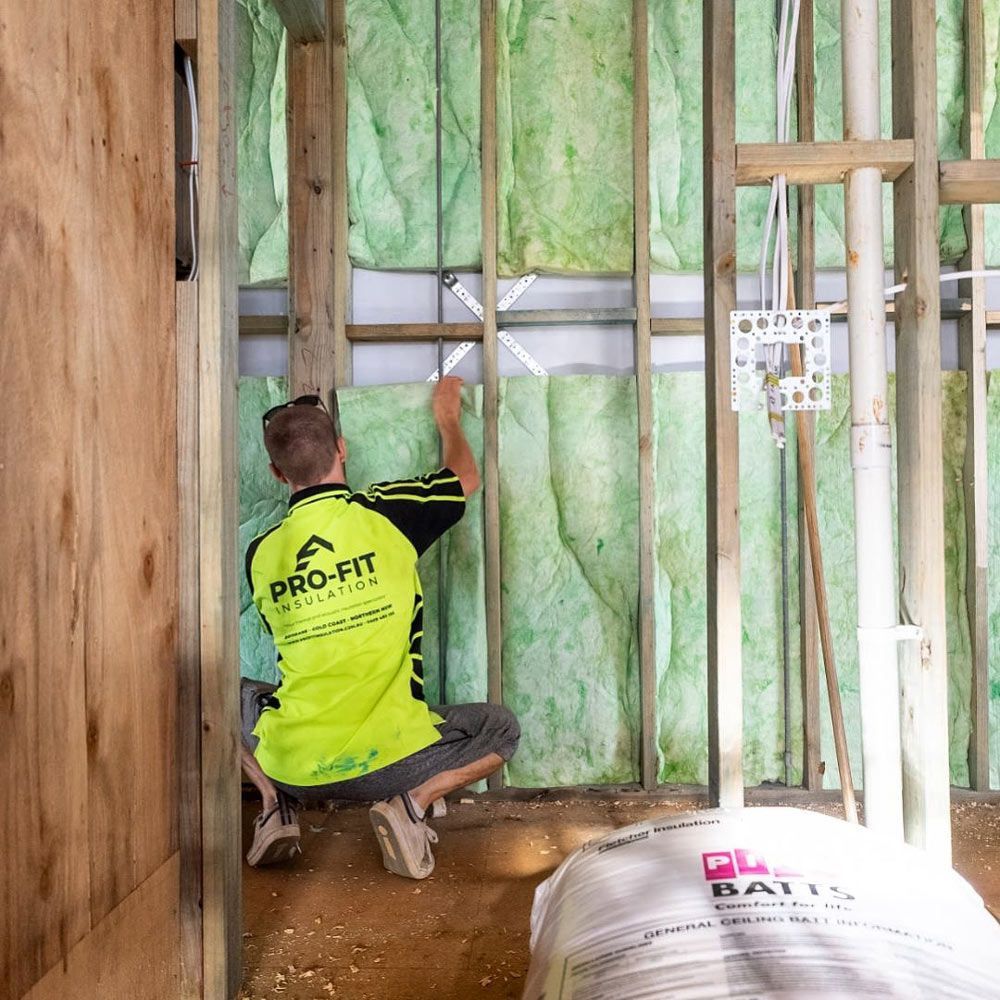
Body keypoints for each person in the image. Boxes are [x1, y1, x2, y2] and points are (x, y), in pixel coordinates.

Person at [240, 377, 519, 880]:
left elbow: (279, 636)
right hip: (393, 762)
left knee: (215, 697)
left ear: (277, 473)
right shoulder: (387, 513)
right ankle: (411, 804)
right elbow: (465, 478)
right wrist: (448, 420)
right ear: (342, 450)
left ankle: (274, 804)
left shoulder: (260, 553)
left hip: (295, 768)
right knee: (502, 728)